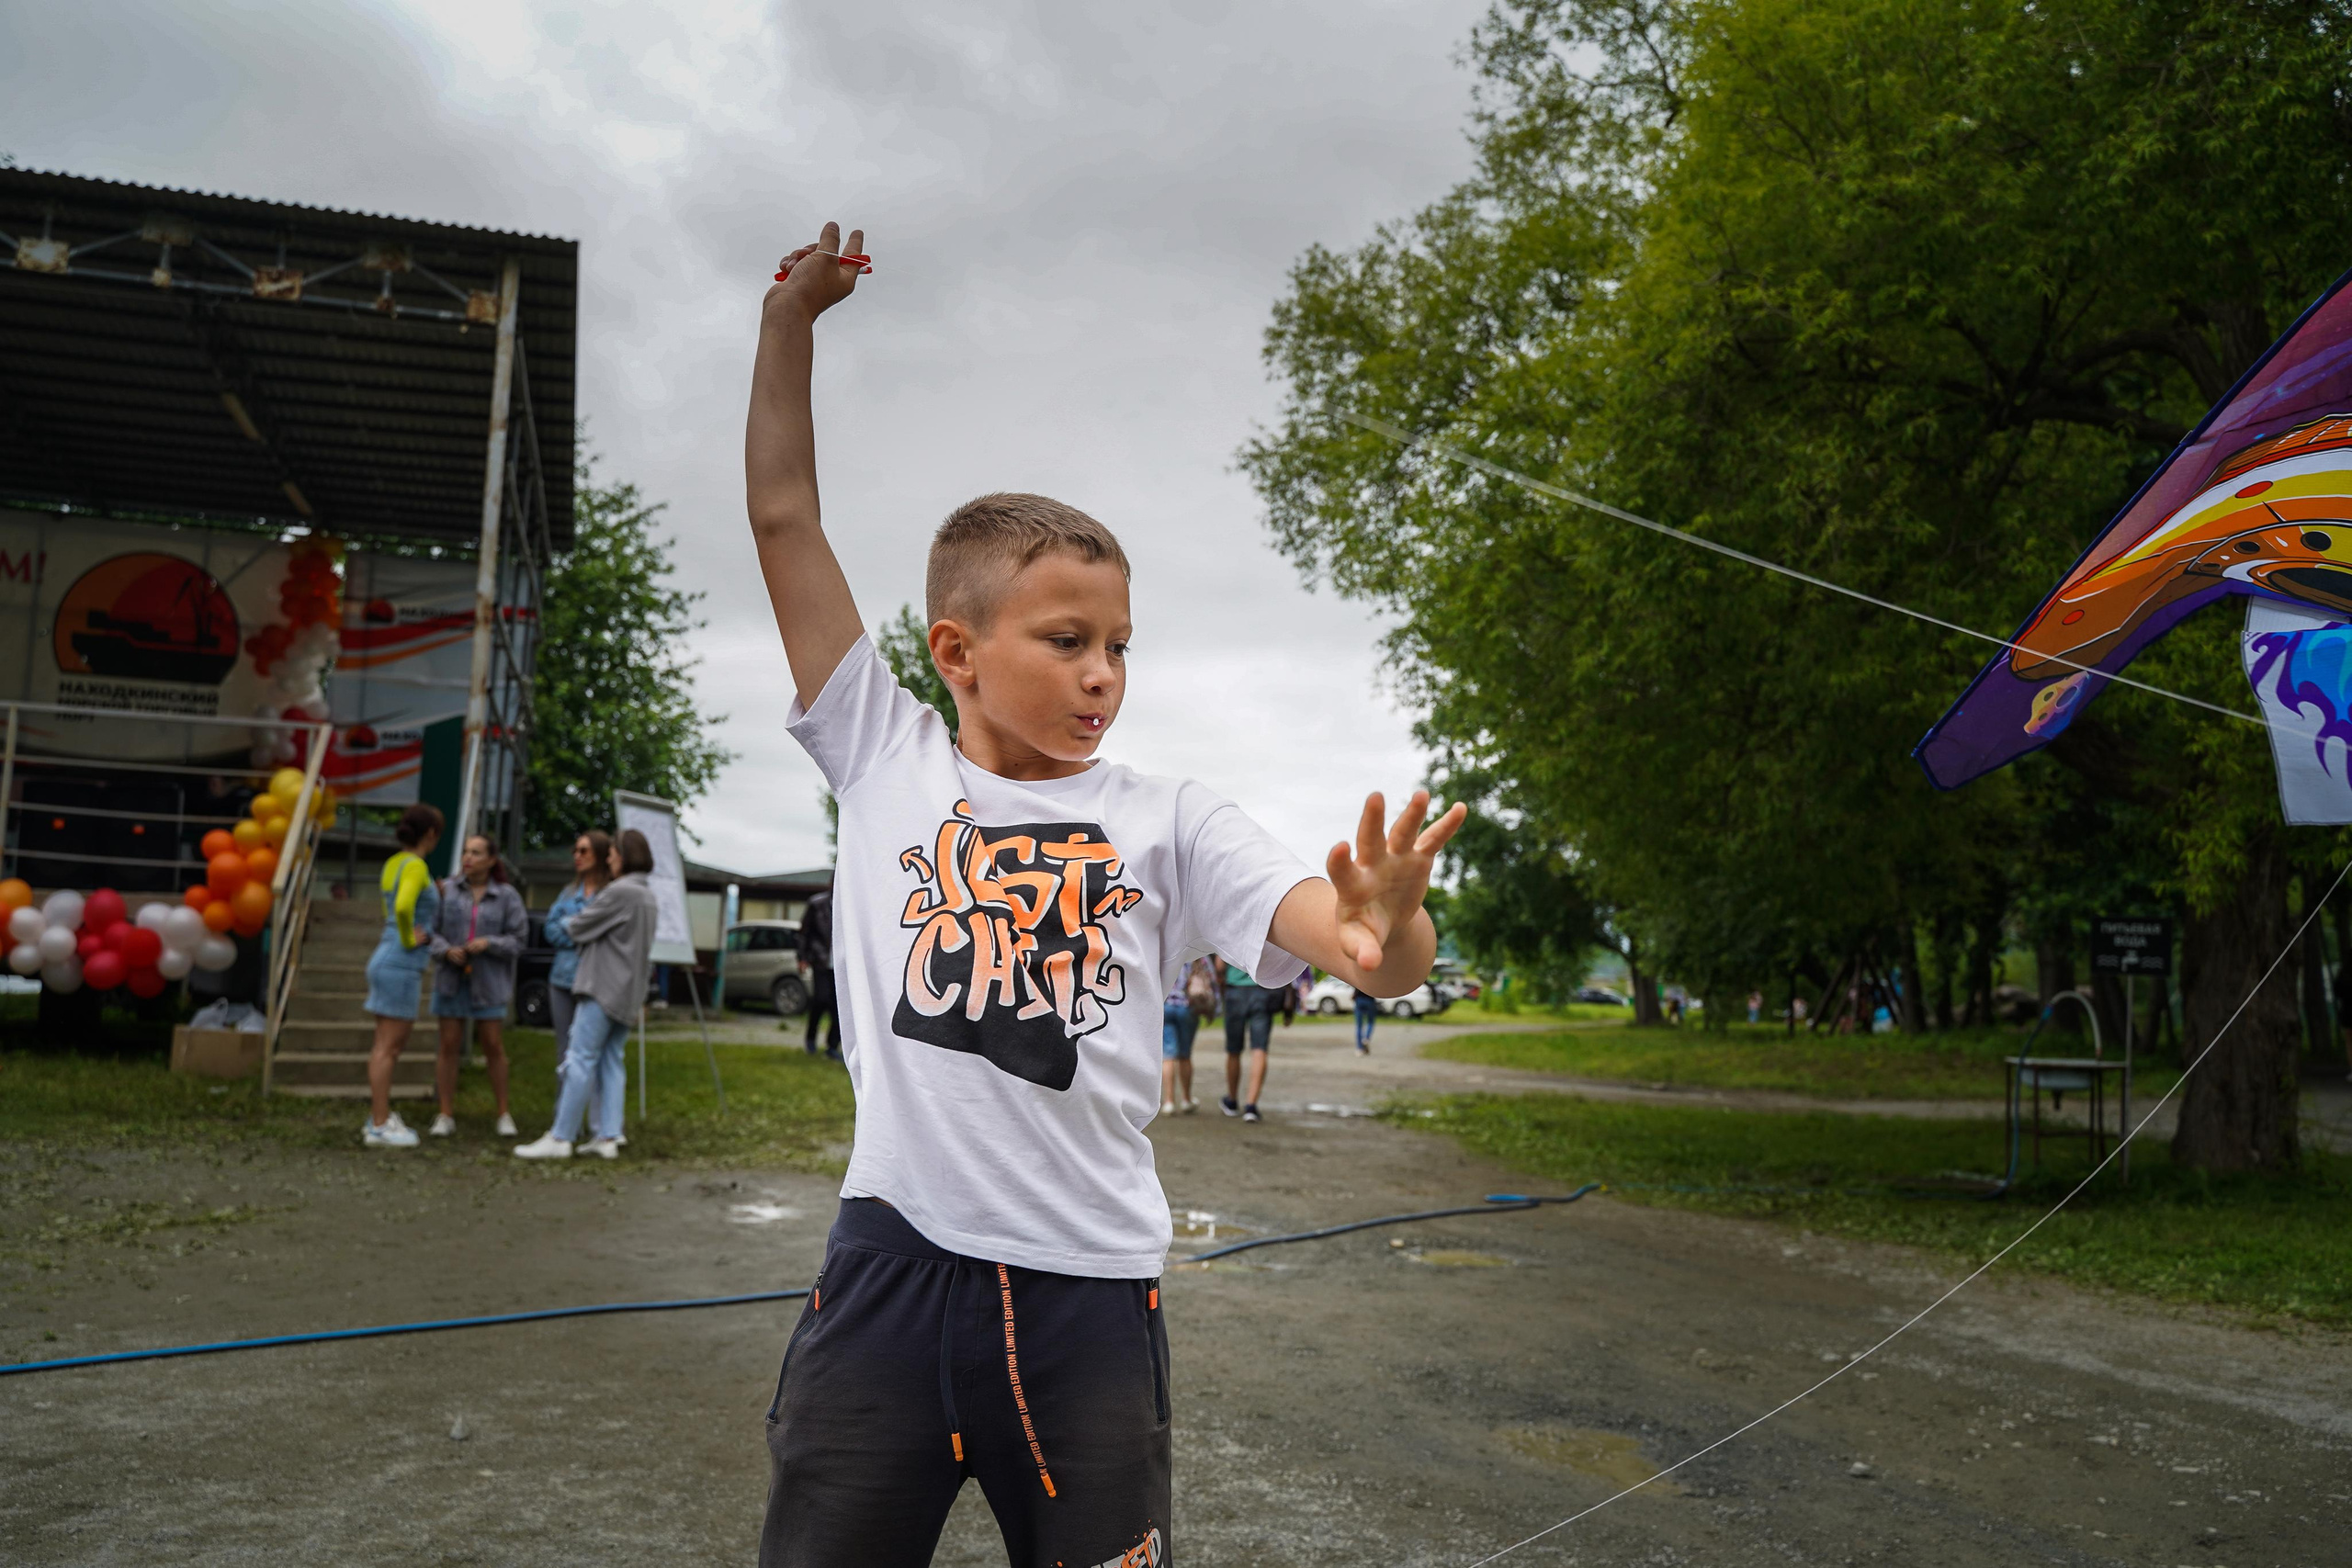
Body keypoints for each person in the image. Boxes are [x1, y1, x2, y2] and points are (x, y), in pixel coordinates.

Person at [740, 223, 1465, 1568]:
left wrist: (1389, 917)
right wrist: (790, 324)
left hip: (1086, 1305)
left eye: (1121, 646)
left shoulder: (1169, 816)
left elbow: (1368, 955)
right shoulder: (882, 753)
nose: (1102, 675)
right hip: (889, 1274)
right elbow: (785, 519)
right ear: (957, 651)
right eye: (1068, 639)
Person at [514, 829, 659, 1161]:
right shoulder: (647, 895)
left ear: (624, 856)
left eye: (613, 853)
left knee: (579, 1058)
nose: (609, 859)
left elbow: (578, 927)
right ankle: (607, 1136)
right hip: (629, 992)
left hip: (602, 987)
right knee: (611, 1060)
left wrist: (567, 921)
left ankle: (560, 1136)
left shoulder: (619, 892)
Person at [426, 833, 527, 1137]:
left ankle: (503, 1114)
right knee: (448, 1045)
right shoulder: (445, 890)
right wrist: (446, 950)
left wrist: (489, 943)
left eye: (476, 852)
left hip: (490, 982)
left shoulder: (507, 896)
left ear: (492, 860)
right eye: (466, 852)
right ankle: (445, 1114)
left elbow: (518, 940)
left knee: (493, 1045)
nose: (468, 858)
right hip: (451, 979)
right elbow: (429, 932)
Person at [362, 803, 443, 1148]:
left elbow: (391, 906)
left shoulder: (393, 863)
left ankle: (378, 1118)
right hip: (401, 962)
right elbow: (403, 906)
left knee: (383, 1046)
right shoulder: (415, 865)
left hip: (386, 955)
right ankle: (380, 1126)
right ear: (431, 834)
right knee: (389, 1048)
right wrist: (410, 937)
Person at [542, 829, 612, 1070]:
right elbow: (550, 930)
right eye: (575, 850)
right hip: (562, 979)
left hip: (596, 983)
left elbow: (605, 936)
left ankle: (590, 1096)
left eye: (584, 851)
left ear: (600, 855)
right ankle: (564, 1096)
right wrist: (581, 933)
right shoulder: (568, 892)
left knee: (591, 1051)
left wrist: (569, 924)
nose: (577, 856)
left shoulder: (610, 894)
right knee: (564, 1049)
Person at [1219, 955, 1274, 1121]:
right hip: (1262, 990)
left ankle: (1232, 1100)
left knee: (1233, 1050)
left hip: (1235, 991)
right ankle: (1251, 1106)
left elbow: (1219, 966)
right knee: (1259, 1048)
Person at [1159, 955, 1213, 1115]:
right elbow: (1211, 981)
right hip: (1188, 1007)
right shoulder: (1198, 954)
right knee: (1185, 1055)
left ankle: (1169, 1102)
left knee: (1168, 1056)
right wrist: (1213, 1010)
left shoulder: (1165, 953)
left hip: (1166, 1006)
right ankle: (1186, 1099)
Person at [797, 885, 839, 1057]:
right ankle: (810, 1038)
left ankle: (832, 1047)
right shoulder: (817, 904)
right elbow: (803, 933)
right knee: (820, 999)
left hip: (840, 965)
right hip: (820, 960)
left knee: (839, 1007)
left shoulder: (851, 907)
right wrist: (802, 957)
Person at [1352, 980, 1380, 1055]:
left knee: (1359, 1026)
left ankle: (1359, 1048)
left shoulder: (1359, 975)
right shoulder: (1373, 977)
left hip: (1359, 999)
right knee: (1370, 1022)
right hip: (1370, 1000)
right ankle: (1366, 1038)